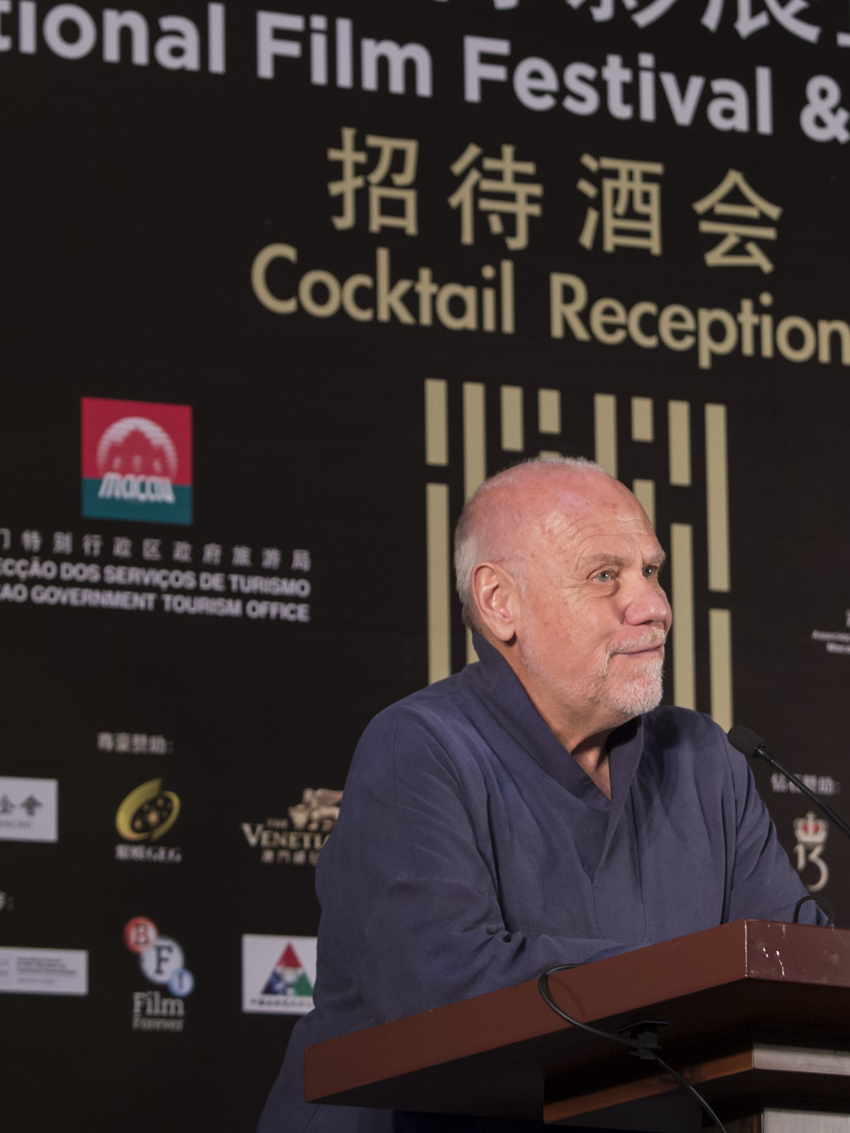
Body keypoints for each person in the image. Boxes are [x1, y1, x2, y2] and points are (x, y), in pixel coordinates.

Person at [257, 457, 820, 1132]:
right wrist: (705, 982)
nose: (655, 607)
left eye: (651, 571)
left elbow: (796, 974)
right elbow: (445, 990)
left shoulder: (704, 758)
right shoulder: (418, 747)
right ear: (500, 602)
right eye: (605, 575)